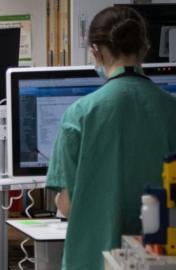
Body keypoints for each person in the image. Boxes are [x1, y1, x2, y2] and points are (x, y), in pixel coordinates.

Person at [46, 6, 176, 270]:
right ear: (146, 47)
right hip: (161, 258)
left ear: (95, 51)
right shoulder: (171, 110)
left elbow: (67, 203)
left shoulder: (80, 115)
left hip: (91, 258)